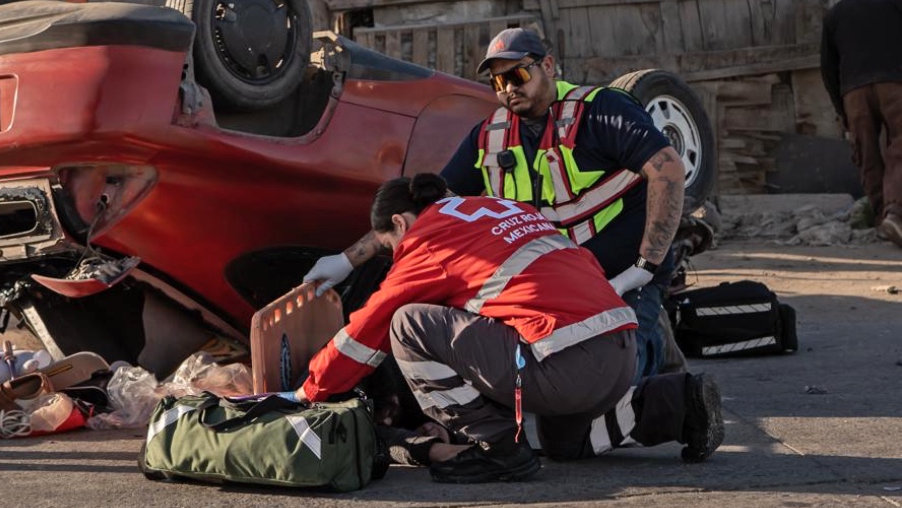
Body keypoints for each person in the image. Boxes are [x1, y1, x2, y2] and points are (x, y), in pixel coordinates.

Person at [306, 27, 686, 382]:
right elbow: (422, 208)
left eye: (517, 75)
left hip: (624, 272)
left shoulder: (600, 111)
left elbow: (668, 171)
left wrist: (644, 267)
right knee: (567, 381)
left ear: (548, 66)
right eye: (497, 82)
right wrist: (348, 259)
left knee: (618, 376)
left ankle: (653, 343)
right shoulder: (490, 138)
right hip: (563, 282)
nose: (507, 89)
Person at [291, 174, 724, 484]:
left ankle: (496, 449)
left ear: (401, 225)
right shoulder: (501, 210)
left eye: (391, 248)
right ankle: (679, 402)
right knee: (563, 444)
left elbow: (370, 327)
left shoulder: (428, 241)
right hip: (617, 350)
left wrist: (307, 393)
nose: (396, 257)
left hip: (565, 363)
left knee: (407, 323)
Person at [820, 0, 902, 247]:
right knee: (899, 148)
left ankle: (881, 219)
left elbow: (828, 69)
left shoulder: (835, 15)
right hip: (895, 84)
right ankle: (896, 212)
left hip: (853, 93)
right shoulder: (895, 5)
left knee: (866, 154)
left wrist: (841, 110)